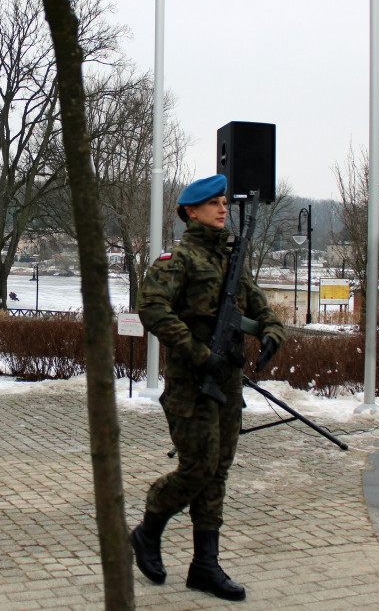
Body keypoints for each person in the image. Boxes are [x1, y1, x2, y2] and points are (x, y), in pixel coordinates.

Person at [131, 174, 284, 602]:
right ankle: (149, 528)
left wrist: (272, 331)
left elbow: (259, 305)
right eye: (213, 203)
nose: (222, 209)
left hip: (227, 382)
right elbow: (151, 308)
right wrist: (199, 353)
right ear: (191, 212)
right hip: (191, 383)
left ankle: (205, 564)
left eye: (223, 202)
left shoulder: (231, 260)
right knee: (198, 467)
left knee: (218, 470)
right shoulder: (176, 260)